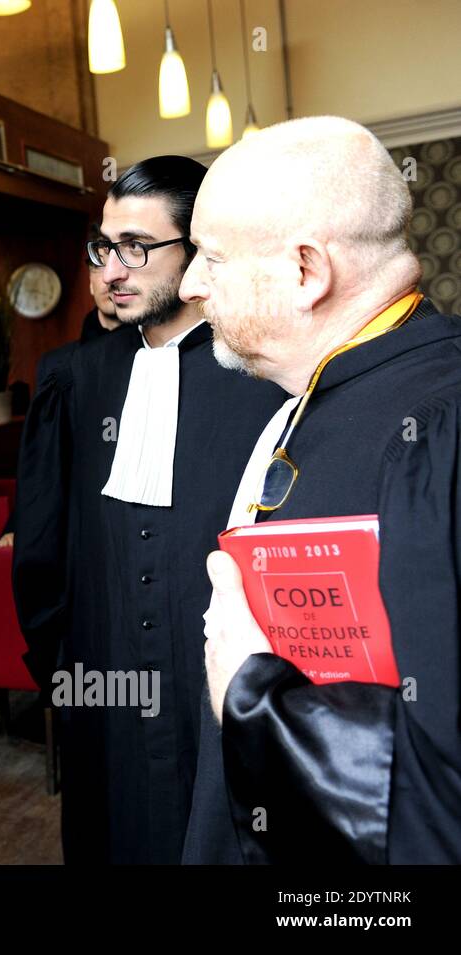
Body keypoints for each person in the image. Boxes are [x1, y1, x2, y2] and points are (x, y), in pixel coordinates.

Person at [180, 115, 461, 864]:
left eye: (211, 256)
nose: (188, 284)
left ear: (307, 270)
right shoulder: (310, 398)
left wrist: (252, 690)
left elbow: (442, 783)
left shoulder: (442, 428)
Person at [11, 156, 287, 863]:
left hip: (224, 691)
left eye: (137, 247)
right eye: (104, 247)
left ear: (197, 251)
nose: (111, 269)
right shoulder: (74, 379)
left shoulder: (265, 378)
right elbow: (41, 548)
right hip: (106, 693)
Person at [0, 238, 118, 549]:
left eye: (117, 261)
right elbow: (41, 461)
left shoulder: (155, 356)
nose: (108, 276)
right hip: (75, 528)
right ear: (90, 283)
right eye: (98, 266)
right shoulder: (57, 365)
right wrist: (18, 525)